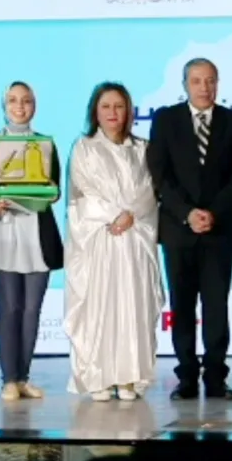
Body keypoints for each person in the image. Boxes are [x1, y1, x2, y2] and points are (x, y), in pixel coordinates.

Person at [146, 58, 232, 401]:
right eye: (197, 81)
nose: (204, 88)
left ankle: (216, 377)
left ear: (217, 83)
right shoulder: (166, 120)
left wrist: (212, 213)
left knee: (216, 306)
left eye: (210, 81)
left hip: (220, 230)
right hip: (179, 229)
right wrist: (187, 213)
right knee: (182, 305)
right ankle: (187, 377)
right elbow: (159, 173)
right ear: (185, 85)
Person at [64, 82, 165, 402]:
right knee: (101, 308)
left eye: (119, 106)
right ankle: (99, 377)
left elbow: (149, 190)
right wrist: (113, 214)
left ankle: (129, 376)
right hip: (100, 239)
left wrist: (131, 214)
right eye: (106, 106)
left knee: (133, 308)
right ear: (95, 112)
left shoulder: (142, 149)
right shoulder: (84, 148)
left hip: (134, 240)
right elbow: (82, 193)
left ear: (129, 112)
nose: (112, 113)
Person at [0, 82, 64, 401]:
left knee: (32, 309)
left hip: (36, 234)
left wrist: (51, 192)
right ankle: (8, 378)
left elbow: (56, 187)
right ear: (4, 105)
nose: (20, 106)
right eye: (13, 100)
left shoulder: (45, 144)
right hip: (3, 234)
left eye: (26, 100)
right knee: (9, 307)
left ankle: (23, 378)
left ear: (35, 105)